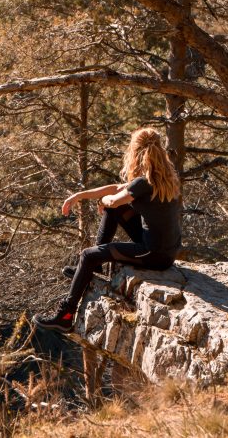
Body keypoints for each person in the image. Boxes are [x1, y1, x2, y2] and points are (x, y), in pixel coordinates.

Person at [33, 127, 183, 332]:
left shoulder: (144, 182)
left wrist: (105, 202)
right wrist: (79, 195)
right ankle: (93, 269)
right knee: (115, 211)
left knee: (87, 254)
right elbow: (116, 189)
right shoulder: (163, 176)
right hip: (166, 251)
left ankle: (65, 315)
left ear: (136, 151)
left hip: (154, 254)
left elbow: (112, 199)